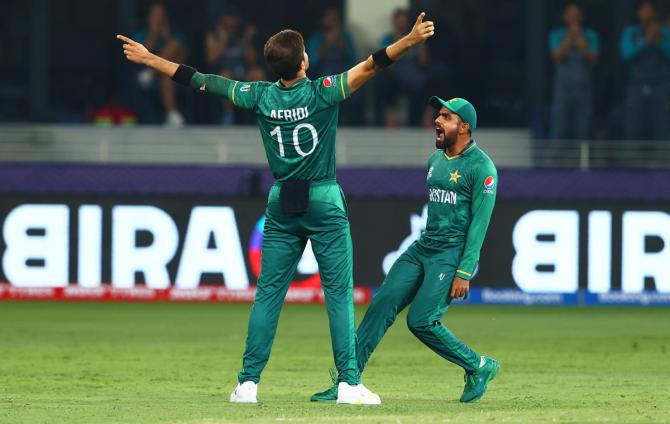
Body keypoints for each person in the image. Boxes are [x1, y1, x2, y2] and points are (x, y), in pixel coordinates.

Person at [117, 12, 435, 405]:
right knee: (337, 294)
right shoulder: (324, 92)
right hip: (323, 199)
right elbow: (373, 63)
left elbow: (203, 81)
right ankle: (349, 383)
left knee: (268, 294)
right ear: (304, 61)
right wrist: (409, 40)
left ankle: (248, 384)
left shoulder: (261, 96)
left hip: (283, 201)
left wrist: (151, 59)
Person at [311, 97, 499, 404]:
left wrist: (464, 271)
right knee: (381, 304)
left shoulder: (482, 167)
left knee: (421, 321)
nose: (438, 121)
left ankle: (479, 366)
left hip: (449, 255)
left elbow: (479, 226)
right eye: (438, 115)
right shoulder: (434, 161)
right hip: (423, 247)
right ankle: (348, 381)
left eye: (447, 117)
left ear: (464, 127)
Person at [130, 2, 187, 126]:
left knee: (173, 49)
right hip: (142, 73)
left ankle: (151, 74)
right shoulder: (141, 34)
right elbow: (137, 54)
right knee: (166, 74)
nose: (158, 17)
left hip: (160, 75)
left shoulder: (174, 34)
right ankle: (172, 114)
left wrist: (166, 36)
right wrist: (154, 32)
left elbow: (183, 57)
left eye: (161, 14)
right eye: (155, 14)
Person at [548, 4, 599, 141]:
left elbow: (593, 58)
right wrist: (570, 38)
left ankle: (583, 161)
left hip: (584, 87)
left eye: (576, 13)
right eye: (570, 13)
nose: (573, 17)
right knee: (559, 127)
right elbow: (556, 57)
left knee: (583, 128)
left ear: (581, 16)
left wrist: (582, 42)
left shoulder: (590, 35)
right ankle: (555, 160)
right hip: (563, 88)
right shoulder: (556, 34)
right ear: (564, 17)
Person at [620, 1, 670, 140]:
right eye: (644, 10)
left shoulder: (664, 32)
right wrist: (647, 39)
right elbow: (626, 54)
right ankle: (632, 159)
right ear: (638, 13)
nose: (648, 13)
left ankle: (662, 160)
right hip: (636, 85)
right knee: (634, 125)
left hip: (660, 86)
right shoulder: (631, 32)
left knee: (662, 125)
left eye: (650, 10)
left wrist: (659, 39)